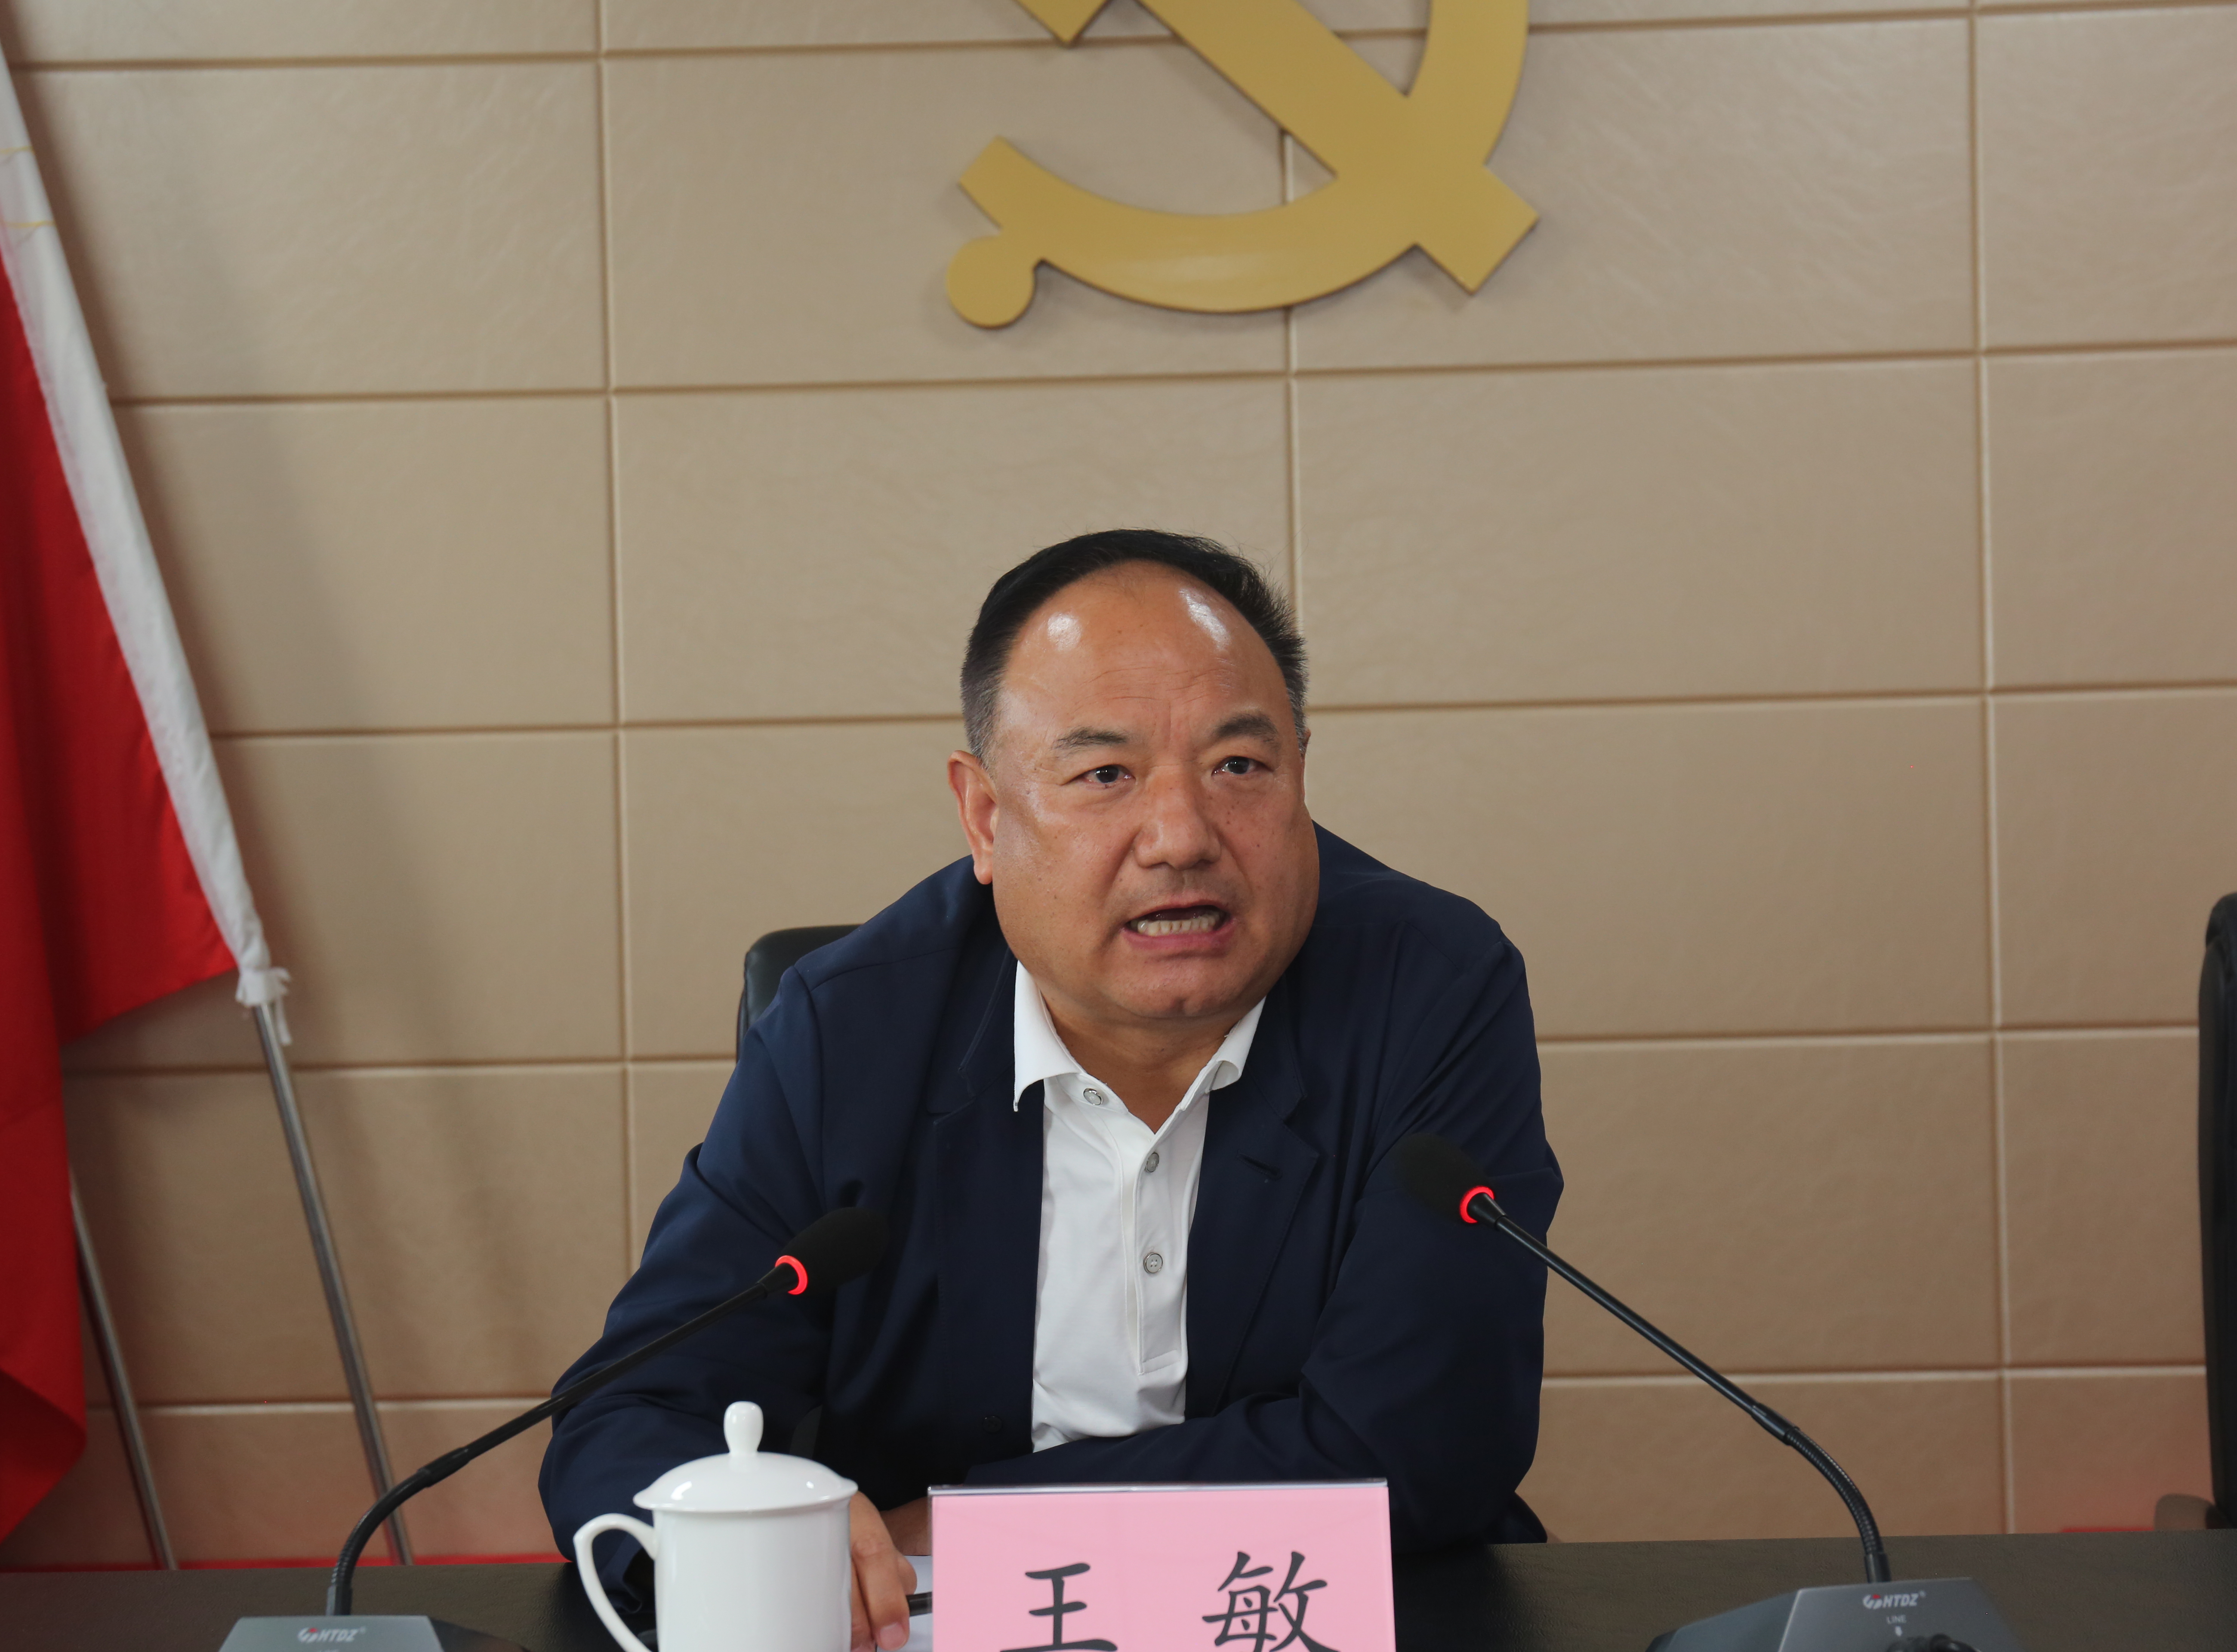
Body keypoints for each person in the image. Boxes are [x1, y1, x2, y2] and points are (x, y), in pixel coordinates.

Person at [539, 530, 1562, 1652]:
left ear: (1301, 775)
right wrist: (744, 1543)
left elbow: (1419, 1441)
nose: (1181, 838)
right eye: (1106, 776)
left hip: (1325, 1617)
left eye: (1239, 767)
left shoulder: (1429, 988)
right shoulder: (852, 1030)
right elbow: (636, 1413)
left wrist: (964, 1533)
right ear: (986, 817)